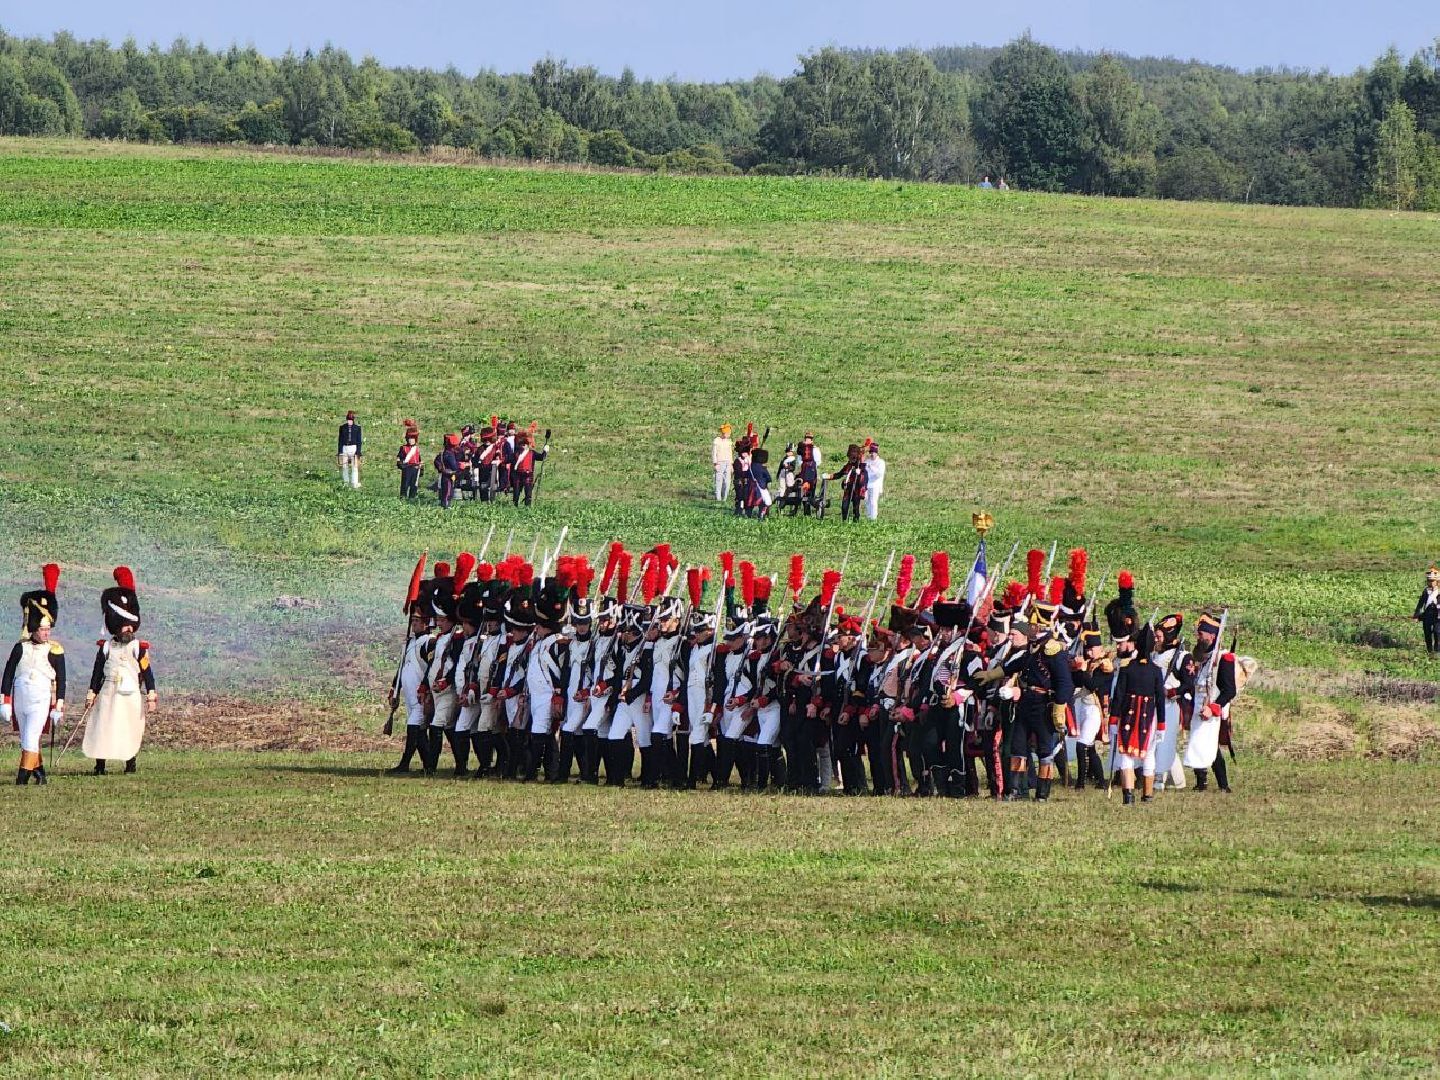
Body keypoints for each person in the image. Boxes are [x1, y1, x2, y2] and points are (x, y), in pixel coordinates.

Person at [84, 567, 156, 775]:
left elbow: (147, 672)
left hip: (130, 693)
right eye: (125, 626)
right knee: (103, 726)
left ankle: (130, 763)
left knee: (129, 727)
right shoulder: (106, 647)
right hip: (109, 691)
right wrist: (91, 693)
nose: (129, 629)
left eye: (130, 626)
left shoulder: (138, 648)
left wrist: (151, 694)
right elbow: (97, 674)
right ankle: (100, 765)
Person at [4, 565, 65, 785]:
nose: (46, 633)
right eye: (42, 629)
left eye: (48, 629)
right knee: (26, 740)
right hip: (21, 698)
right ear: (33, 628)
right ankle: (40, 773)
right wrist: (5, 701)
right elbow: (9, 674)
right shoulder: (20, 647)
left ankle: (21, 780)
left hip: (40, 699)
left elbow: (61, 680)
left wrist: (58, 705)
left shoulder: (55, 650)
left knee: (31, 737)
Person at [1108, 624, 1164, 804]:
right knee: (1149, 754)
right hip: (1149, 717)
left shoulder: (1126, 669)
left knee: (1126, 755)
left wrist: (1113, 720)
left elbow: (1118, 697)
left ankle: (1128, 796)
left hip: (1128, 716)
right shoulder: (1156, 671)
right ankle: (1147, 795)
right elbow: (1160, 700)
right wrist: (1161, 724)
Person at [1183, 611, 1238, 792]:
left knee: (1208, 745)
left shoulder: (1224, 659)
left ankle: (1222, 785)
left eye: (1201, 634)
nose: (1198, 637)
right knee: (1201, 744)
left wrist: (1213, 707)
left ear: (1212, 636)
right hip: (1199, 706)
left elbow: (1230, 690)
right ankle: (1202, 783)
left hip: (1211, 710)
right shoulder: (1205, 658)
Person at [829, 444, 868, 523]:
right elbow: (840, 474)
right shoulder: (848, 466)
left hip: (857, 489)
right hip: (848, 489)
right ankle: (844, 521)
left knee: (856, 508)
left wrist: (860, 471)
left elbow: (864, 477)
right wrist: (830, 476)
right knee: (844, 507)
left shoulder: (861, 466)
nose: (850, 459)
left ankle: (856, 523)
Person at [510, 430, 549, 507]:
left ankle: (527, 507)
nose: (523, 446)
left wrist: (545, 451)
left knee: (528, 493)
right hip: (517, 475)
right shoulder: (516, 453)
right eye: (521, 444)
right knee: (516, 492)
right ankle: (515, 506)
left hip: (528, 475)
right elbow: (510, 461)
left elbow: (541, 457)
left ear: (528, 444)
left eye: (524, 444)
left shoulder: (532, 453)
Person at [1415, 567, 1440, 654]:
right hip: (1427, 614)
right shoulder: (1426, 591)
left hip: (1438, 615)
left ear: (1437, 581)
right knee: (1427, 633)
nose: (1431, 583)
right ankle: (1430, 650)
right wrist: (1416, 615)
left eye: (1433, 581)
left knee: (1437, 632)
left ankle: (1437, 650)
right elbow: (1420, 603)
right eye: (1429, 581)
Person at [337, 410, 363, 489]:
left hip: (353, 447)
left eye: (351, 420)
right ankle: (346, 482)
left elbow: (359, 441)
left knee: (354, 467)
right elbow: (340, 440)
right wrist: (340, 451)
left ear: (353, 420)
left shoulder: (357, 428)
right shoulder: (342, 427)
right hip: (345, 447)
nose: (349, 421)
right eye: (348, 420)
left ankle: (354, 483)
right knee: (344, 466)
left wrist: (358, 452)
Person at [396, 423, 422, 500]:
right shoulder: (403, 448)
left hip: (415, 468)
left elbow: (419, 459)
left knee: (414, 485)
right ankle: (403, 497)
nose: (411, 440)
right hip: (407, 468)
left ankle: (412, 497)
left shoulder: (417, 449)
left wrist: (421, 468)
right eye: (409, 438)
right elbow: (399, 458)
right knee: (405, 484)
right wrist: (401, 464)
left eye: (412, 439)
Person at [436, 434, 461, 510]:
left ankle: (445, 505)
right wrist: (460, 465)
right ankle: (446, 506)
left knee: (446, 491)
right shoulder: (449, 454)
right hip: (449, 475)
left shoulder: (443, 453)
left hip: (445, 474)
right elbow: (454, 466)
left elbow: (436, 461)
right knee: (448, 491)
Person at [711, 424, 733, 503]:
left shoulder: (729, 442)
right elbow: (714, 452)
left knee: (727, 481)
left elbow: (730, 453)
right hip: (720, 462)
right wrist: (715, 463)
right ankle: (718, 498)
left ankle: (725, 497)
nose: (728, 435)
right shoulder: (717, 440)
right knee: (719, 480)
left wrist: (731, 464)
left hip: (727, 462)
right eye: (727, 433)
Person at [864, 443, 886, 520]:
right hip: (866, 485)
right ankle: (869, 517)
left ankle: (873, 519)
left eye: (873, 452)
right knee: (867, 502)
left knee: (873, 502)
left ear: (876, 453)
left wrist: (872, 467)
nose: (872, 454)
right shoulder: (867, 461)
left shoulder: (881, 462)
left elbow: (879, 474)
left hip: (875, 485)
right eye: (871, 452)